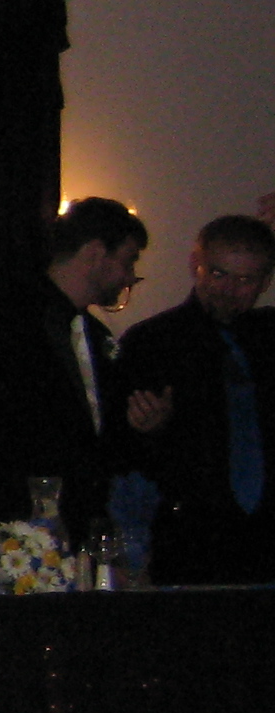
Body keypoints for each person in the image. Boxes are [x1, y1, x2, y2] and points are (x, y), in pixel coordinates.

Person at [111, 212, 275, 584]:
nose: (228, 289)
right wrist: (150, 430)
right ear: (195, 265)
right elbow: (118, 454)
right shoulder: (151, 342)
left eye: (245, 280)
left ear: (265, 282)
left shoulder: (269, 336)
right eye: (218, 274)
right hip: (190, 543)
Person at [20, 197, 150, 531]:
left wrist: (141, 424)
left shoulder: (97, 335)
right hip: (23, 522)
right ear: (94, 253)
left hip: (82, 520)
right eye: (127, 261)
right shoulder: (16, 324)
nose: (129, 277)